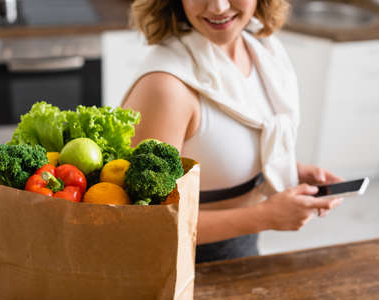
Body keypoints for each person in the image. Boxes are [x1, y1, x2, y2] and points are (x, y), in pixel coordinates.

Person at [121, 0, 344, 263]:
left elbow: (222, 146)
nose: (218, 7)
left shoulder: (260, 49)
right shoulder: (165, 88)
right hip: (179, 264)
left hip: (242, 251)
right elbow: (143, 227)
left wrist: (285, 169)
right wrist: (265, 216)